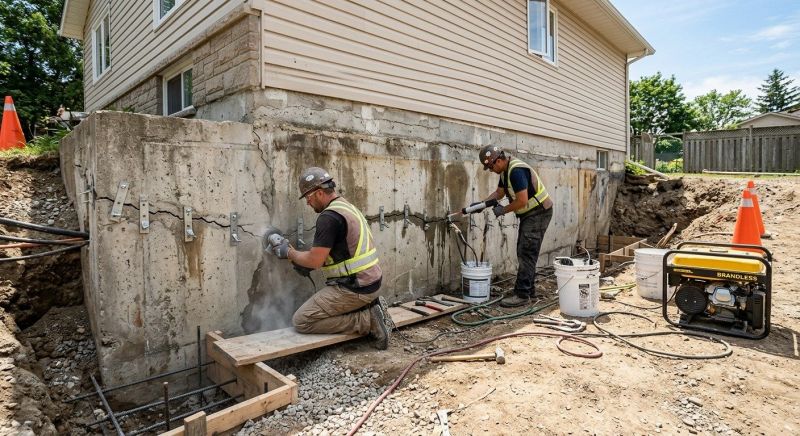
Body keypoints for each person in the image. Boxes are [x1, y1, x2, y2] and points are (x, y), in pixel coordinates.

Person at [268, 167, 389, 349]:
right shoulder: (345, 206)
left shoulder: (328, 218)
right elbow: (339, 251)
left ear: (318, 193)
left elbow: (315, 261)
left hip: (355, 288)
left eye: (308, 197)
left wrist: (289, 253)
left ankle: (367, 320)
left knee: (302, 321)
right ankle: (367, 308)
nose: (308, 203)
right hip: (370, 281)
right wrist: (302, 258)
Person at [472, 145, 553, 307]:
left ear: (499, 160)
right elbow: (499, 193)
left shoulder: (516, 172)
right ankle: (528, 290)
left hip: (538, 213)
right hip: (530, 214)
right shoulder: (505, 171)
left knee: (526, 252)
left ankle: (522, 295)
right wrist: (483, 204)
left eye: (491, 166)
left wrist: (503, 210)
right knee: (525, 251)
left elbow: (522, 200)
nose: (491, 170)